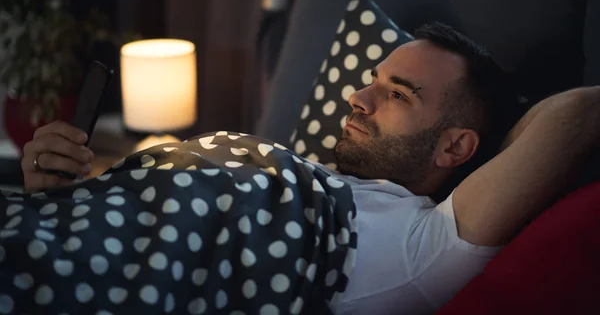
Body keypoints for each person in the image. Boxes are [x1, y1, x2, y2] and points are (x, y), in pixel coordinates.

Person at [19, 22, 600, 313]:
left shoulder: (422, 246)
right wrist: (58, 194)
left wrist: (498, 139)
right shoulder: (322, 177)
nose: (358, 98)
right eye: (371, 80)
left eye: (398, 95)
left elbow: (579, 112)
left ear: (455, 148)